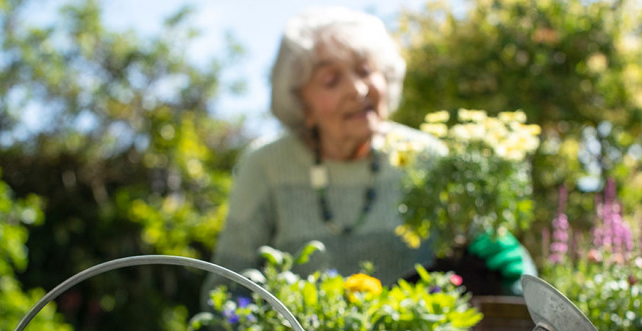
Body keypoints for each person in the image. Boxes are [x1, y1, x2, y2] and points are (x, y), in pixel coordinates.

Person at [204, 6, 533, 301]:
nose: (357, 90)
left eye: (364, 70)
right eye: (331, 80)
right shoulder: (267, 165)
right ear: (302, 104)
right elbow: (225, 287)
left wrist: (515, 274)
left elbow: (506, 270)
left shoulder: (426, 156)